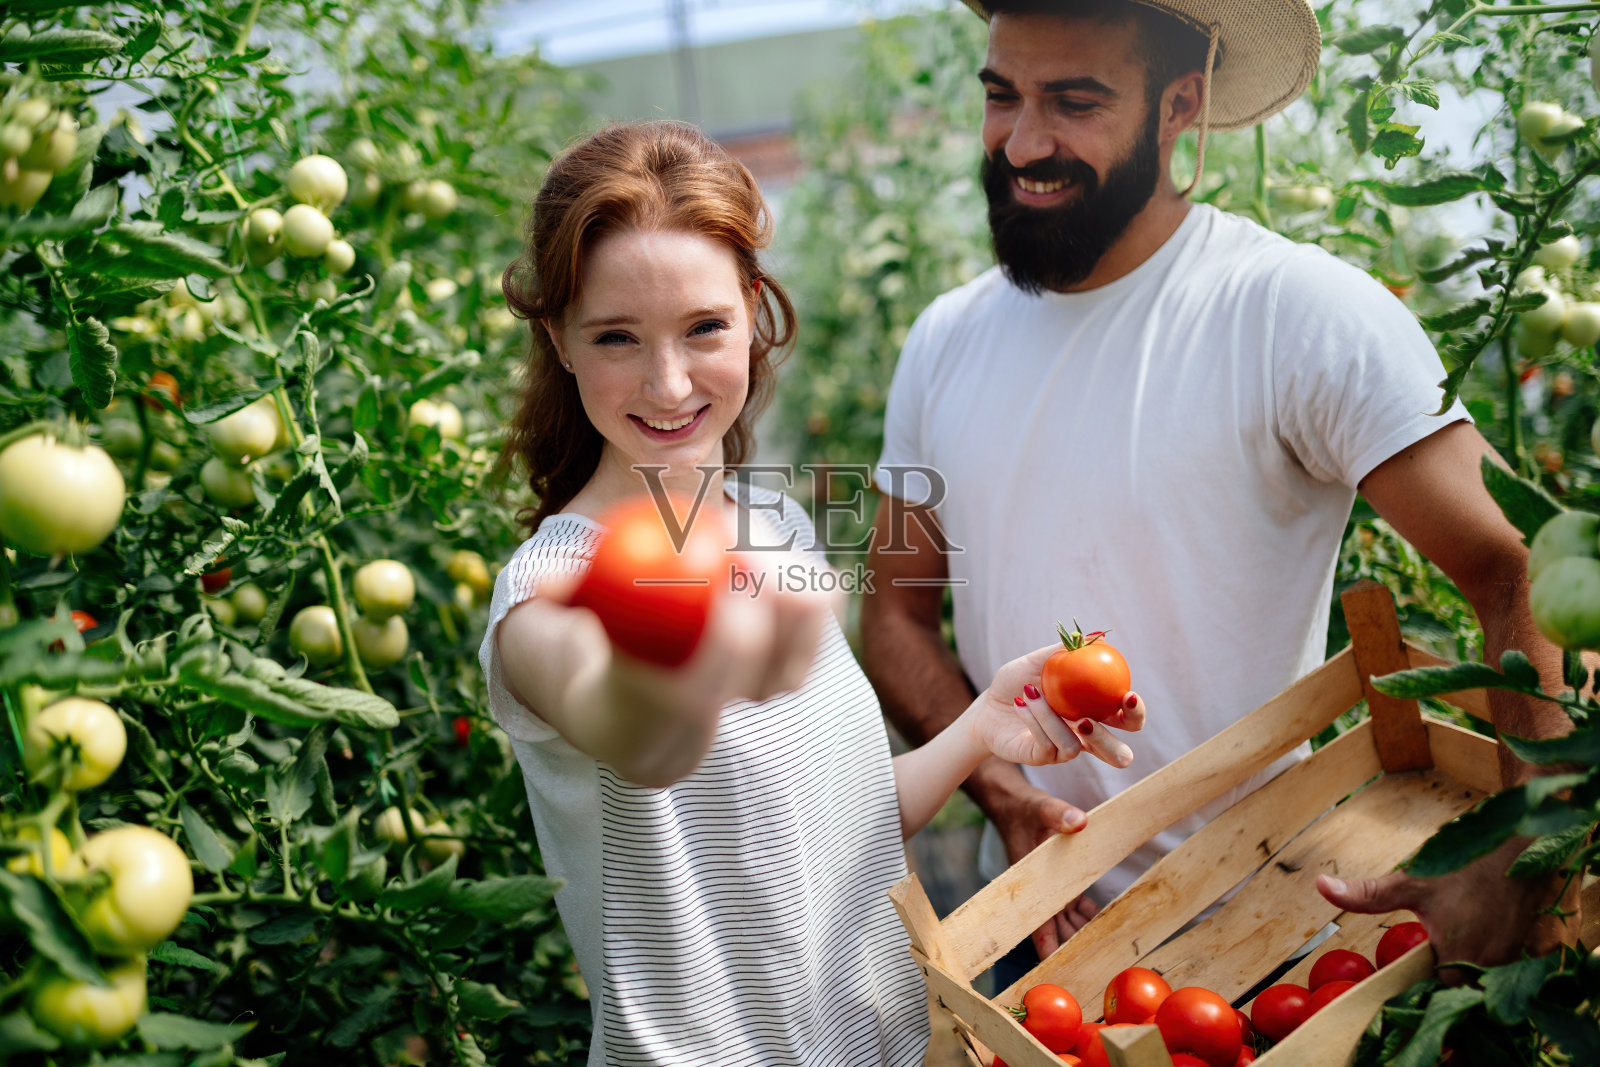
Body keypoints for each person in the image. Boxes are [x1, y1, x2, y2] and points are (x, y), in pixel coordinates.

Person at [862, 0, 1575, 984]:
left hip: (1267, 936)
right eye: (1001, 96)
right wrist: (1006, 794)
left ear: (1180, 105)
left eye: (1074, 102)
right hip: (1033, 940)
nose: (1021, 142)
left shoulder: (1293, 314)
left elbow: (1522, 565)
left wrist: (1522, 856)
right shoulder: (942, 342)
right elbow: (894, 616)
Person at [479, 119, 1147, 1067]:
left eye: (703, 327)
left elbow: (834, 828)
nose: (667, 382)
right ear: (559, 338)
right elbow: (632, 727)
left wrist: (978, 729)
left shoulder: (776, 525)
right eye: (616, 336)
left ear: (752, 310)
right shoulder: (548, 591)